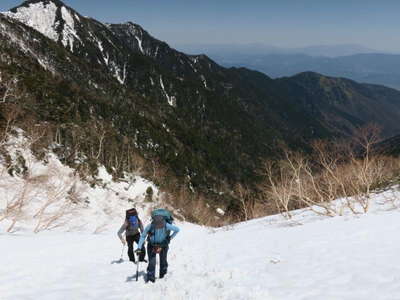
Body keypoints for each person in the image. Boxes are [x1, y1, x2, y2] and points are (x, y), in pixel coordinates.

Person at [135, 212, 180, 282]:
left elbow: (177, 230)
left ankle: (163, 276)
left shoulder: (164, 225)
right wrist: (139, 247)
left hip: (163, 245)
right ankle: (151, 278)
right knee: (152, 262)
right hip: (152, 245)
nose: (158, 227)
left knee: (163, 261)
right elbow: (143, 236)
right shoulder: (151, 226)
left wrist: (170, 238)